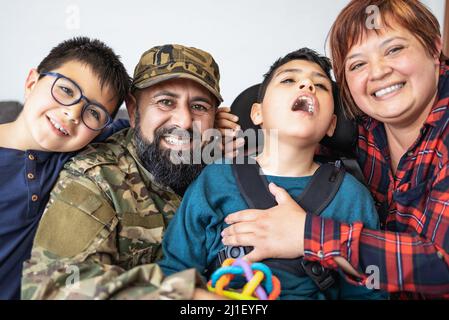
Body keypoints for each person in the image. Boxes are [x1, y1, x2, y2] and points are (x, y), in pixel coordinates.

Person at [221, 0, 449, 299]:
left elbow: (441, 268)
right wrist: (213, 130)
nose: (378, 72)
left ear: (434, 49)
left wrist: (306, 234)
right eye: (357, 64)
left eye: (393, 49)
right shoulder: (359, 129)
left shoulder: (350, 194)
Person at [158, 48, 386, 299]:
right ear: (257, 113)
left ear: (332, 124)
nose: (306, 85)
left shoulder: (350, 196)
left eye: (320, 85)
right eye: (289, 80)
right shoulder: (215, 179)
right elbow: (174, 271)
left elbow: (367, 294)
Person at [21, 44, 239, 300]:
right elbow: (51, 286)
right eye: (165, 102)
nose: (184, 122)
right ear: (134, 111)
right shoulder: (99, 176)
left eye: (200, 107)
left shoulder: (228, 163)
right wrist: (185, 297)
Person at [0, 36, 131, 300]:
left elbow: (150, 126)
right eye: (67, 91)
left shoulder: (76, 154)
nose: (73, 113)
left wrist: (206, 125)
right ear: (31, 83)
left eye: (93, 113)